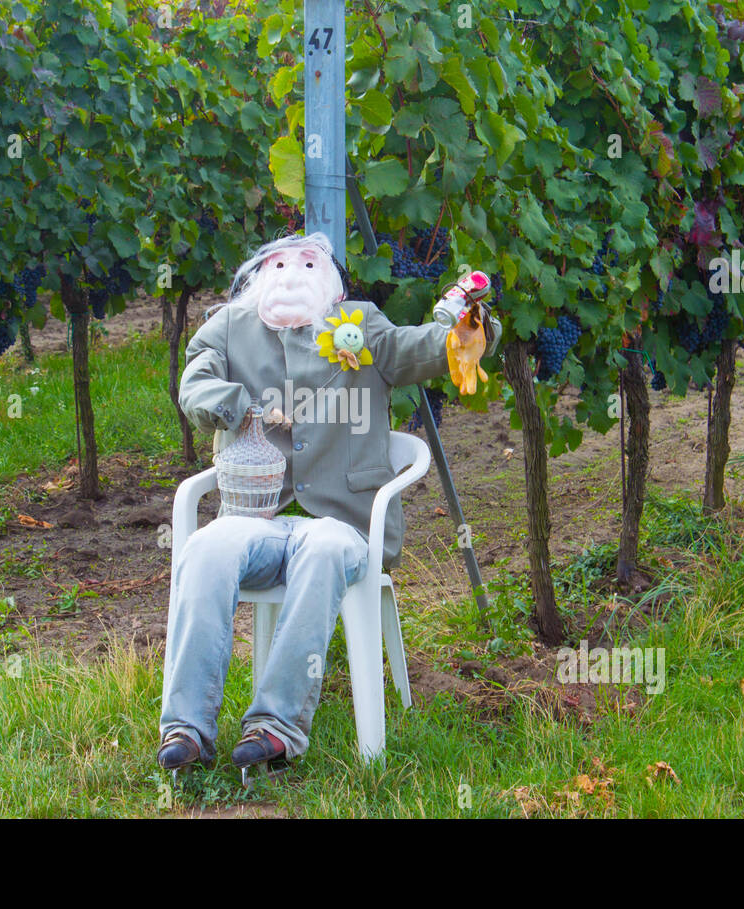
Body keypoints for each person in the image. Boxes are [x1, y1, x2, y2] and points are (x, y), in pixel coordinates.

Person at [158, 231, 496, 775]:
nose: (291, 272)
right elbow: (193, 387)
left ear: (331, 285)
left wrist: (467, 323)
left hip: (345, 523)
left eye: (307, 263)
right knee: (206, 548)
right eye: (278, 263)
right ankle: (186, 730)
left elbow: (424, 349)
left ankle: (275, 727)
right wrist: (240, 405)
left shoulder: (360, 325)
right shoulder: (226, 328)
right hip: (253, 518)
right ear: (258, 276)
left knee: (320, 548)